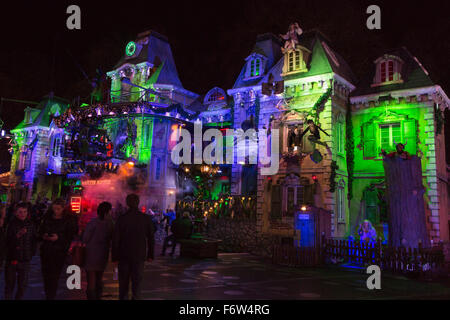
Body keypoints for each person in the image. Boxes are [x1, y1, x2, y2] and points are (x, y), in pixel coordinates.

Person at [112, 194, 155, 300]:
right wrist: (150, 255)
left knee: (123, 284)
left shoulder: (122, 219)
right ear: (138, 203)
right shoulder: (145, 218)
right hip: (139, 255)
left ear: (127, 203)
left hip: (124, 255)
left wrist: (115, 256)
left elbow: (116, 239)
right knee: (137, 283)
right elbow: (151, 238)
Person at [39, 198, 78, 300]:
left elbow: (71, 235)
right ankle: (48, 294)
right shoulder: (47, 218)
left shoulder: (68, 220)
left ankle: (51, 296)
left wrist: (59, 238)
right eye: (54, 208)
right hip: (46, 251)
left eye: (58, 209)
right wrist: (44, 236)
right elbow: (40, 231)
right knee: (46, 275)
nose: (56, 211)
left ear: (63, 209)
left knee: (54, 276)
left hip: (59, 252)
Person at [4, 202, 38, 300]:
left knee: (22, 285)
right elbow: (6, 242)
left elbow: (33, 240)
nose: (22, 214)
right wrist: (17, 236)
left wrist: (31, 253)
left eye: (24, 212)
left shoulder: (31, 224)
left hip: (25, 258)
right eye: (20, 212)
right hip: (12, 258)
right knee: (10, 284)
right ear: (16, 213)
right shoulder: (10, 224)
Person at [82, 201, 114, 300]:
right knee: (99, 278)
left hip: (91, 254)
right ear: (108, 212)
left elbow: (85, 238)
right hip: (103, 254)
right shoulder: (111, 224)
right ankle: (98, 296)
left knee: (91, 280)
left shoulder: (93, 222)